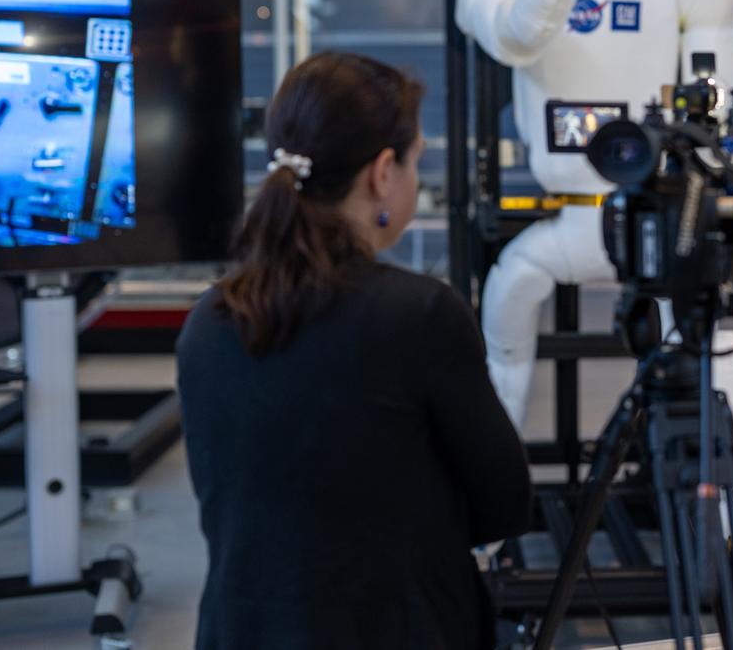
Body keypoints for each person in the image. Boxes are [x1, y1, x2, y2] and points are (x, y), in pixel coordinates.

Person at [454, 0, 733, 533]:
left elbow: (713, 105)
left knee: (720, 355)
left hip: (660, 213)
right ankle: (491, 512)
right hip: (569, 213)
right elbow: (517, 37)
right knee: (505, 308)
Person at [175, 52, 532, 650]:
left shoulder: (206, 324)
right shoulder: (419, 314)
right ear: (382, 172)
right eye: (417, 160)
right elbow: (503, 505)